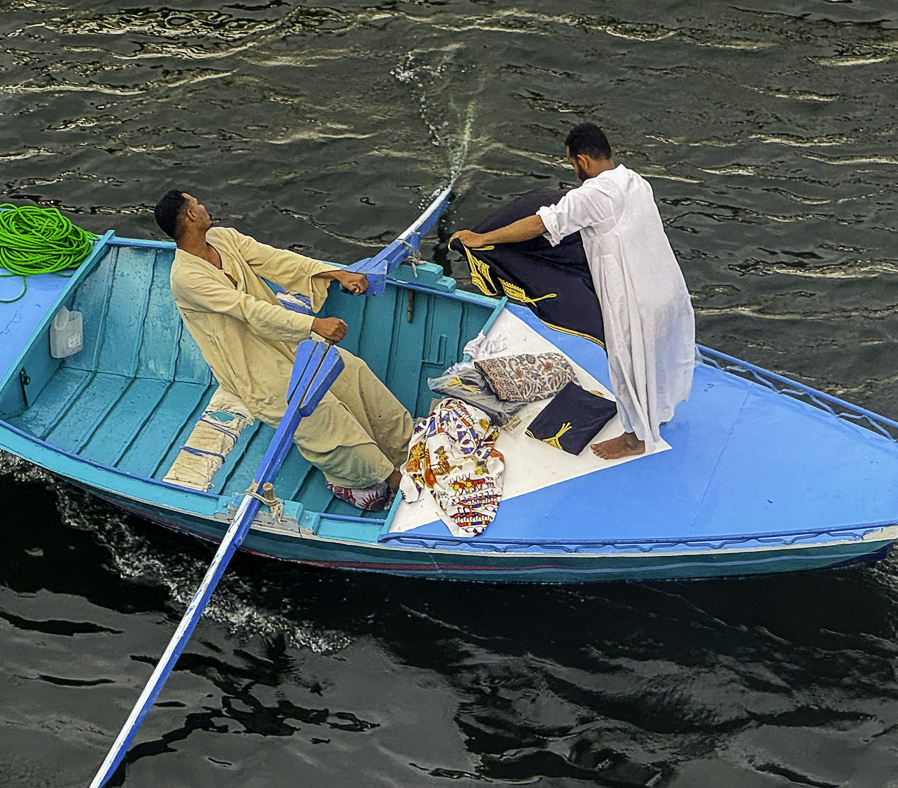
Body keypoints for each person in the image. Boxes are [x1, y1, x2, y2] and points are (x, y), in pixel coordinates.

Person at [450, 123, 696, 459]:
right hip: (666, 288)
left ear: (582, 160)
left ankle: (633, 439)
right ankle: (659, 413)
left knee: (626, 363)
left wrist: (482, 238)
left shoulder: (591, 194)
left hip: (634, 299)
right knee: (657, 357)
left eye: (571, 163)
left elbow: (540, 223)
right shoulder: (636, 181)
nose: (574, 170)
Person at [154, 190, 412, 510]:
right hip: (248, 364)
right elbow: (249, 310)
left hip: (283, 338)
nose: (203, 206)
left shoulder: (222, 238)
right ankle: (380, 477)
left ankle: (406, 447)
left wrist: (336, 273)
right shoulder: (187, 277)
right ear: (191, 215)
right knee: (319, 411)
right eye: (197, 204)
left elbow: (276, 260)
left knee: (351, 371)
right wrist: (313, 325)